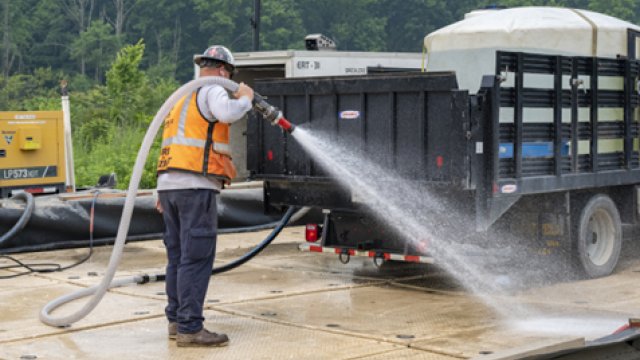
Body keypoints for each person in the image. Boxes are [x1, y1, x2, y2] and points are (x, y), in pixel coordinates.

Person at [156, 45, 254, 347]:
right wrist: (245, 99)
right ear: (224, 71)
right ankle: (190, 328)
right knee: (196, 259)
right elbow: (226, 112)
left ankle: (176, 320)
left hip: (170, 187)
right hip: (195, 187)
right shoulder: (212, 90)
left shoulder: (180, 98)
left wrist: (160, 187)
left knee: (177, 258)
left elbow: (167, 144)